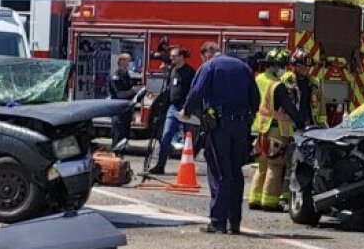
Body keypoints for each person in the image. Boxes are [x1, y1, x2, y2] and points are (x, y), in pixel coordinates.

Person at [184, 41, 260, 234]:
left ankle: (218, 221)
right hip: (241, 126)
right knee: (236, 172)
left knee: (220, 172)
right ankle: (234, 222)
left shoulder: (209, 66)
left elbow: (196, 92)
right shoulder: (243, 67)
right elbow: (255, 98)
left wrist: (186, 111)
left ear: (206, 54)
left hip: (220, 126)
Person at [248, 49, 305, 211]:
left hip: (259, 131)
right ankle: (270, 202)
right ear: (274, 66)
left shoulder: (258, 79)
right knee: (275, 166)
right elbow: (290, 108)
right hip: (276, 130)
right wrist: (301, 123)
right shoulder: (277, 86)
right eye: (282, 66)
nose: (284, 69)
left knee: (261, 166)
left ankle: (255, 198)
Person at [148, 47, 197, 175]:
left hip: (185, 108)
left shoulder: (190, 72)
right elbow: (169, 89)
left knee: (189, 139)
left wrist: (187, 108)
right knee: (166, 136)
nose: (172, 58)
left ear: (181, 56)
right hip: (173, 107)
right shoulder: (172, 70)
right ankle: (160, 165)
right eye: (171, 56)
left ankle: (187, 167)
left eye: (174, 56)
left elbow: (193, 92)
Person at [285, 50, 328, 129]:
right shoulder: (286, 80)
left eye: (309, 66)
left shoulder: (314, 82)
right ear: (295, 65)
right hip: (291, 126)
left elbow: (321, 105)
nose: (307, 68)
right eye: (304, 66)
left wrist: (322, 124)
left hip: (310, 125)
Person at [108, 53, 138, 150]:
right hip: (118, 110)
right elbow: (119, 94)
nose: (129, 63)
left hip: (126, 109)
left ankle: (120, 157)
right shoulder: (115, 76)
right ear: (121, 61)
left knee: (125, 136)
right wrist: (134, 91)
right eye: (127, 61)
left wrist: (132, 111)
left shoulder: (126, 75)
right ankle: (114, 156)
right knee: (118, 135)